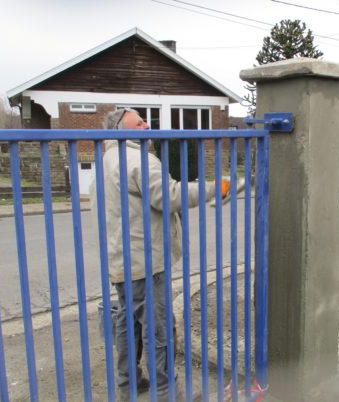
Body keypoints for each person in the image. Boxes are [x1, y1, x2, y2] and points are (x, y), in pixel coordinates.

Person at [92, 108, 214, 401]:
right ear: (122, 128)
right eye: (139, 122)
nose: (147, 126)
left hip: (122, 259)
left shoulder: (108, 158)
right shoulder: (136, 159)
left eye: (146, 121)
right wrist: (214, 189)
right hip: (145, 260)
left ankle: (128, 383)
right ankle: (165, 390)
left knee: (128, 323)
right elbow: (169, 196)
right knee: (158, 327)